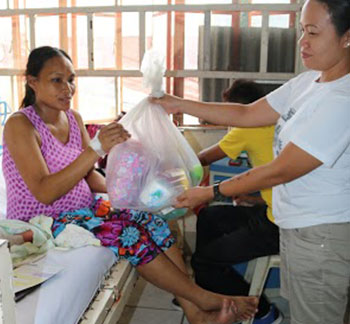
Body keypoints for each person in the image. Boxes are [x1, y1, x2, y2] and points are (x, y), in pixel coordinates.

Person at [2, 46, 258, 324]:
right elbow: (44, 192)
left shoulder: (72, 118)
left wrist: (126, 193)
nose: (68, 88)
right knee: (129, 234)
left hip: (81, 209)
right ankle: (204, 298)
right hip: (42, 219)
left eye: (71, 79)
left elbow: (88, 176)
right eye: (56, 80)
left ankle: (195, 313)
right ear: (32, 81)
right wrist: (96, 149)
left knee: (151, 220)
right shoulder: (20, 125)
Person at [151, 0, 350, 323]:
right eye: (302, 31)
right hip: (293, 223)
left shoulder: (342, 100)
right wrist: (177, 104)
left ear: (346, 37)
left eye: (313, 32)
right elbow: (246, 113)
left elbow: (281, 169)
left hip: (320, 235)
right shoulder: (310, 82)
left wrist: (211, 192)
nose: (303, 42)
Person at [190, 80, 281, 324]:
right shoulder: (275, 122)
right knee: (209, 216)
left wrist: (168, 164)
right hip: (272, 210)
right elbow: (279, 177)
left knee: (203, 261)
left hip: (277, 224)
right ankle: (207, 291)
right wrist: (256, 199)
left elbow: (202, 159)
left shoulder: (245, 128)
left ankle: (262, 312)